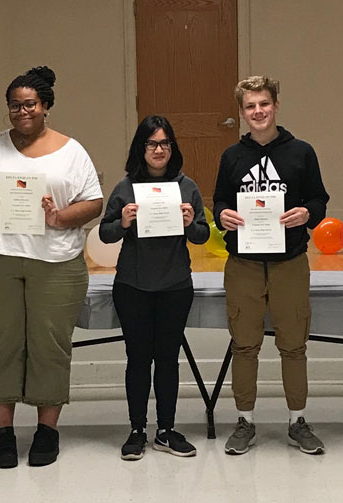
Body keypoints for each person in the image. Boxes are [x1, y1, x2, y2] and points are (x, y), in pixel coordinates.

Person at [0, 66, 103, 468]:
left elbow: (94, 203)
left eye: (30, 104)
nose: (22, 112)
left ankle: (46, 432)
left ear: (46, 107)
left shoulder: (72, 151)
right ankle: (2, 432)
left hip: (56, 262)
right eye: (15, 106)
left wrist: (61, 217)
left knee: (50, 345)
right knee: (1, 343)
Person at [213, 75, 329, 455]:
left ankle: (297, 420)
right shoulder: (232, 157)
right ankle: (244, 420)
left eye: (264, 104)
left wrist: (306, 213)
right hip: (243, 263)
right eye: (250, 106)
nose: (258, 111)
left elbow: (319, 201)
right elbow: (219, 204)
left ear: (276, 106)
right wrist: (223, 215)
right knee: (244, 345)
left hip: (290, 261)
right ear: (242, 113)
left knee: (293, 345)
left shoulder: (302, 152)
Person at [99, 115, 210, 461]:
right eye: (151, 143)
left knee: (167, 359)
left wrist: (192, 223)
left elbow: (203, 235)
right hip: (133, 285)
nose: (158, 150)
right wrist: (123, 221)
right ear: (141, 148)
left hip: (175, 285)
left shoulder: (187, 186)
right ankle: (136, 430)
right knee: (137, 359)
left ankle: (165, 429)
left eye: (164, 143)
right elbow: (104, 233)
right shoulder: (125, 187)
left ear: (172, 148)